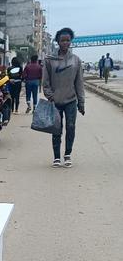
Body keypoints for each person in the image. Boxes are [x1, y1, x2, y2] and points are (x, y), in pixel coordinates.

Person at [43, 27, 85, 168]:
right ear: (58, 42)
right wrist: (50, 96)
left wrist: (81, 102)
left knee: (71, 127)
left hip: (71, 101)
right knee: (56, 129)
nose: (65, 43)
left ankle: (67, 154)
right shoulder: (49, 60)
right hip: (55, 101)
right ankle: (56, 157)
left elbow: (79, 83)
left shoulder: (76, 61)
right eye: (63, 40)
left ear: (70, 41)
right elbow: (46, 81)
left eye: (68, 40)